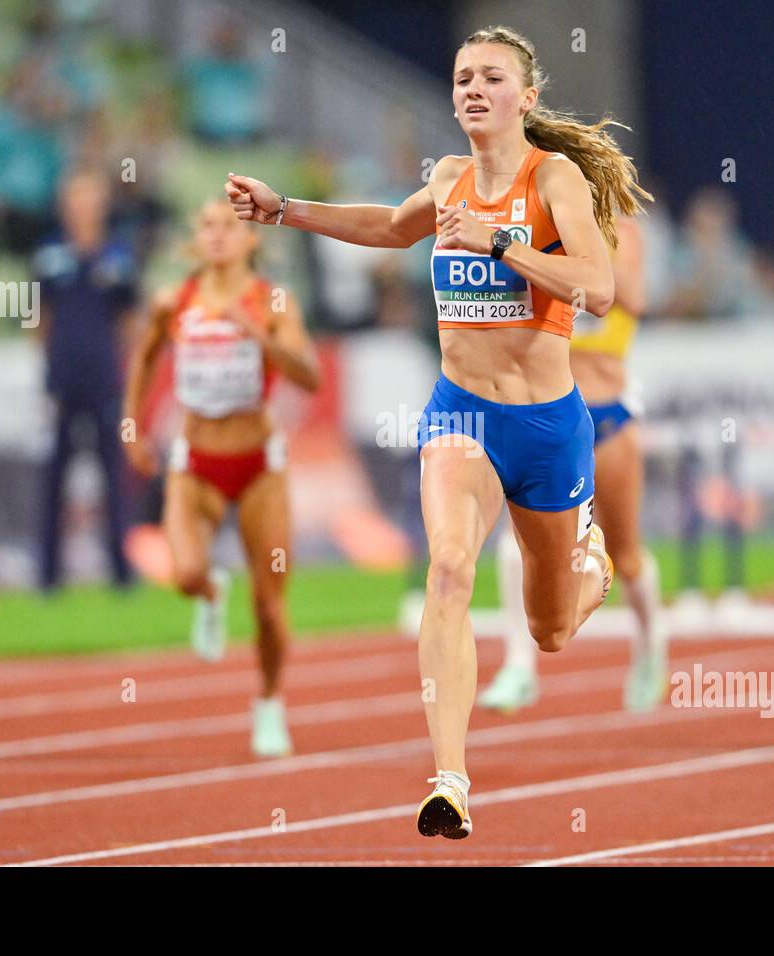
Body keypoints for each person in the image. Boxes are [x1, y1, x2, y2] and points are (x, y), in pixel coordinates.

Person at [225, 25, 651, 837]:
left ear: (525, 96)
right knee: (450, 570)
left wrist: (502, 243)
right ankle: (450, 779)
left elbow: (598, 288)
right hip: (461, 411)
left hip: (549, 425)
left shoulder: (552, 178)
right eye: (461, 78)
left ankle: (588, 560)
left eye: (491, 77)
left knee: (550, 630)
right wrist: (284, 211)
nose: (471, 90)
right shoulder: (449, 178)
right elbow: (391, 227)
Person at [122, 199, 320, 759]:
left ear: (252, 240)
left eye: (230, 226)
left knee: (269, 603)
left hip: (259, 464)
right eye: (206, 225)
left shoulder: (273, 299)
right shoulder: (174, 300)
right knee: (184, 572)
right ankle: (210, 591)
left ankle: (270, 703)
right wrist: (132, 427)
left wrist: (257, 336)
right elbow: (142, 358)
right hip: (195, 463)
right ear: (194, 238)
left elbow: (308, 376)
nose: (217, 235)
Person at [480, 213, 670, 714]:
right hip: (549, 415)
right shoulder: (533, 228)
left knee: (626, 555)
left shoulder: (621, 233)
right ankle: (519, 665)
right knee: (514, 539)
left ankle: (651, 649)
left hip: (607, 413)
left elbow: (634, 299)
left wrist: (586, 245)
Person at [33, 169, 137, 593]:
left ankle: (120, 571)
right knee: (54, 473)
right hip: (62, 379)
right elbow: (38, 318)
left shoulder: (118, 257)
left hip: (104, 378)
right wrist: (51, 362)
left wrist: (126, 370)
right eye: (77, 200)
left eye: (91, 200)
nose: (83, 209)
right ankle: (48, 575)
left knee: (113, 473)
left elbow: (129, 320)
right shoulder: (50, 256)